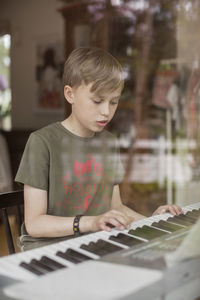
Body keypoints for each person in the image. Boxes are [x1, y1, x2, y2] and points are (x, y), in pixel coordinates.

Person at [15, 47, 183, 251]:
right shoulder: (42, 142)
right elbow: (34, 224)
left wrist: (153, 221)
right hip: (49, 250)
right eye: (97, 101)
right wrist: (90, 222)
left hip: (95, 243)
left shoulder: (109, 143)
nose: (106, 112)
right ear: (70, 94)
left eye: (114, 102)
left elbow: (116, 207)